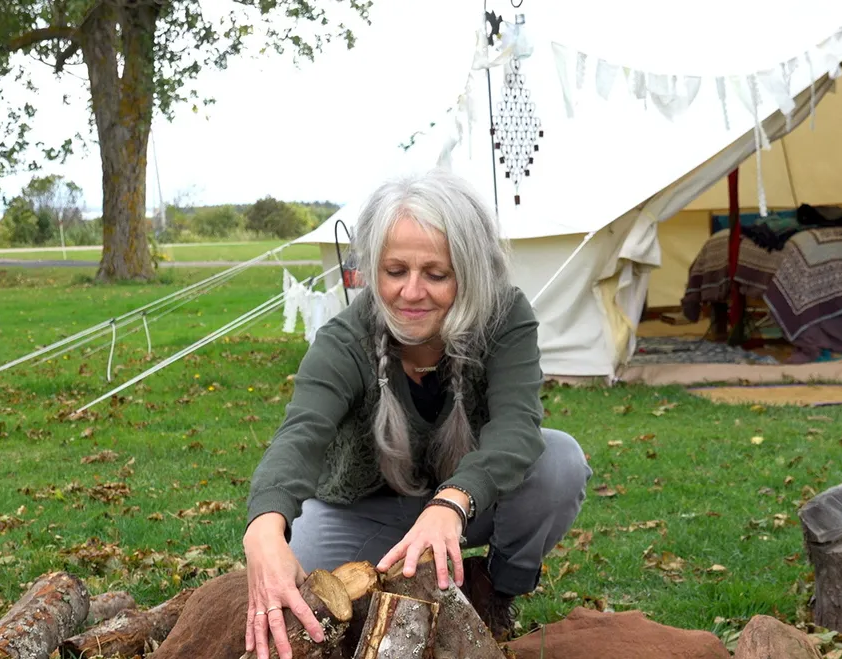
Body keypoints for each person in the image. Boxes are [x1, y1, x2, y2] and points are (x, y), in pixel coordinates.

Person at [240, 169, 592, 659]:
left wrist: (452, 502)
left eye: (436, 273)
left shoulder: (505, 316)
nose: (411, 292)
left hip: (465, 506)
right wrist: (263, 527)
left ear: (469, 273)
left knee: (559, 461)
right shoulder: (345, 340)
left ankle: (495, 592)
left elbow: (516, 427)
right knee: (300, 559)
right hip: (366, 510)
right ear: (373, 271)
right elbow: (300, 436)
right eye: (395, 271)